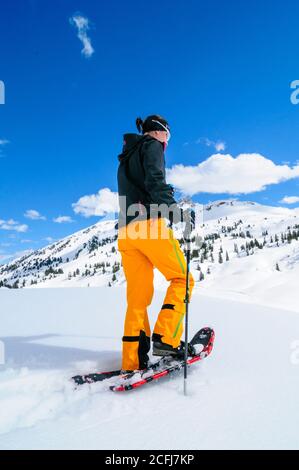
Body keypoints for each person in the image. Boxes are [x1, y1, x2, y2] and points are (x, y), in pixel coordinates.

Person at [117, 115, 195, 372]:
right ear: (159, 132)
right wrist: (177, 214)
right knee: (183, 279)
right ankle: (166, 339)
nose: (167, 143)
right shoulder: (151, 146)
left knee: (137, 299)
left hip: (127, 232)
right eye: (168, 136)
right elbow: (155, 182)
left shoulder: (126, 158)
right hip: (149, 225)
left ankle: (132, 360)